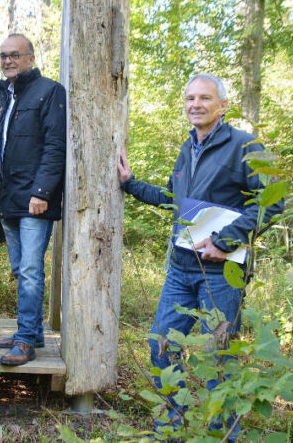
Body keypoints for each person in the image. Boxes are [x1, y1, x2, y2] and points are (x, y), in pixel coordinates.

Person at [117, 73, 284, 440]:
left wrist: (224, 241)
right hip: (181, 269)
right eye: (190, 98)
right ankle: (172, 428)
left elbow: (272, 204)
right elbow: (175, 200)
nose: (196, 104)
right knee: (160, 344)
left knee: (219, 357)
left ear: (222, 105)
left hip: (222, 273)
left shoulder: (246, 145)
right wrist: (130, 183)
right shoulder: (187, 147)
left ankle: (221, 435)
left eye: (205, 98)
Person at [0, 34, 66, 366]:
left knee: (32, 270)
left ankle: (25, 341)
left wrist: (42, 192)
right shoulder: (4, 97)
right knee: (22, 270)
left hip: (35, 200)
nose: (8, 60)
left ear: (31, 58)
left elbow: (55, 146)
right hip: (9, 199)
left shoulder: (50, 91)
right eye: (3, 55)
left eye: (15, 55)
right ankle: (30, 332)